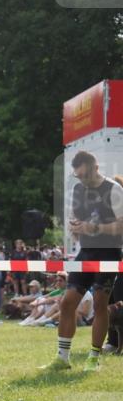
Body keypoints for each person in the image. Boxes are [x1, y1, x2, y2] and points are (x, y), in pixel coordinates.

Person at [42, 151, 123, 371]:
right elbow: (76, 220)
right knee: (67, 302)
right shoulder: (78, 190)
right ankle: (62, 358)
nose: (83, 180)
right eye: (78, 177)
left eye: (85, 175)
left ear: (95, 168)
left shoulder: (114, 190)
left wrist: (95, 228)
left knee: (99, 304)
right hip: (86, 252)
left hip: (109, 253)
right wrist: (75, 227)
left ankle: (93, 358)